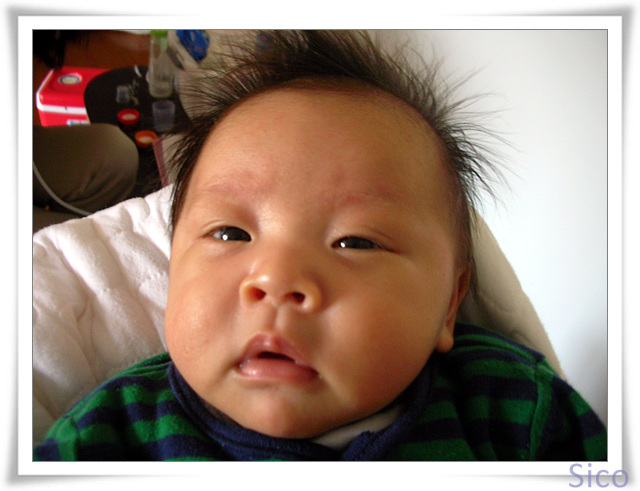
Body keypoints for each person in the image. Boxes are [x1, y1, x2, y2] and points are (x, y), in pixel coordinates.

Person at [33, 30, 606, 461]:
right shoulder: (108, 439)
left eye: (355, 242)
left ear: (449, 305)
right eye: (230, 234)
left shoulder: (512, 411)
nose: (276, 279)